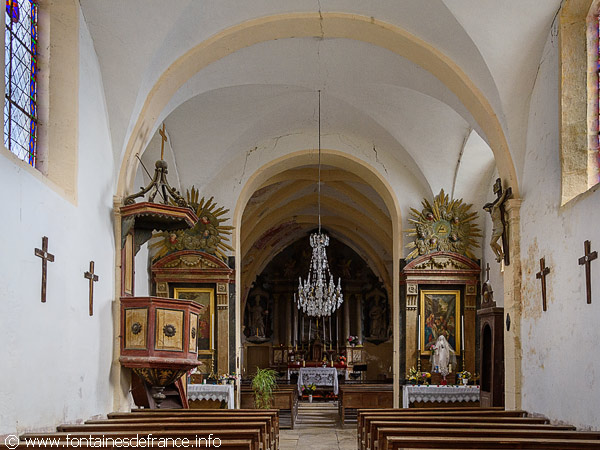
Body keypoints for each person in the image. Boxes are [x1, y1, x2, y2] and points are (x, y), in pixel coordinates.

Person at [483, 188, 509, 262]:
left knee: (493, 242)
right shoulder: (491, 212)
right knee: (491, 244)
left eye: (485, 209)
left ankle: (501, 253)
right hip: (494, 229)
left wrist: (504, 194)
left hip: (499, 227)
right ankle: (497, 255)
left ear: (488, 207)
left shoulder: (495, 207)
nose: (486, 211)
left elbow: (500, 201)